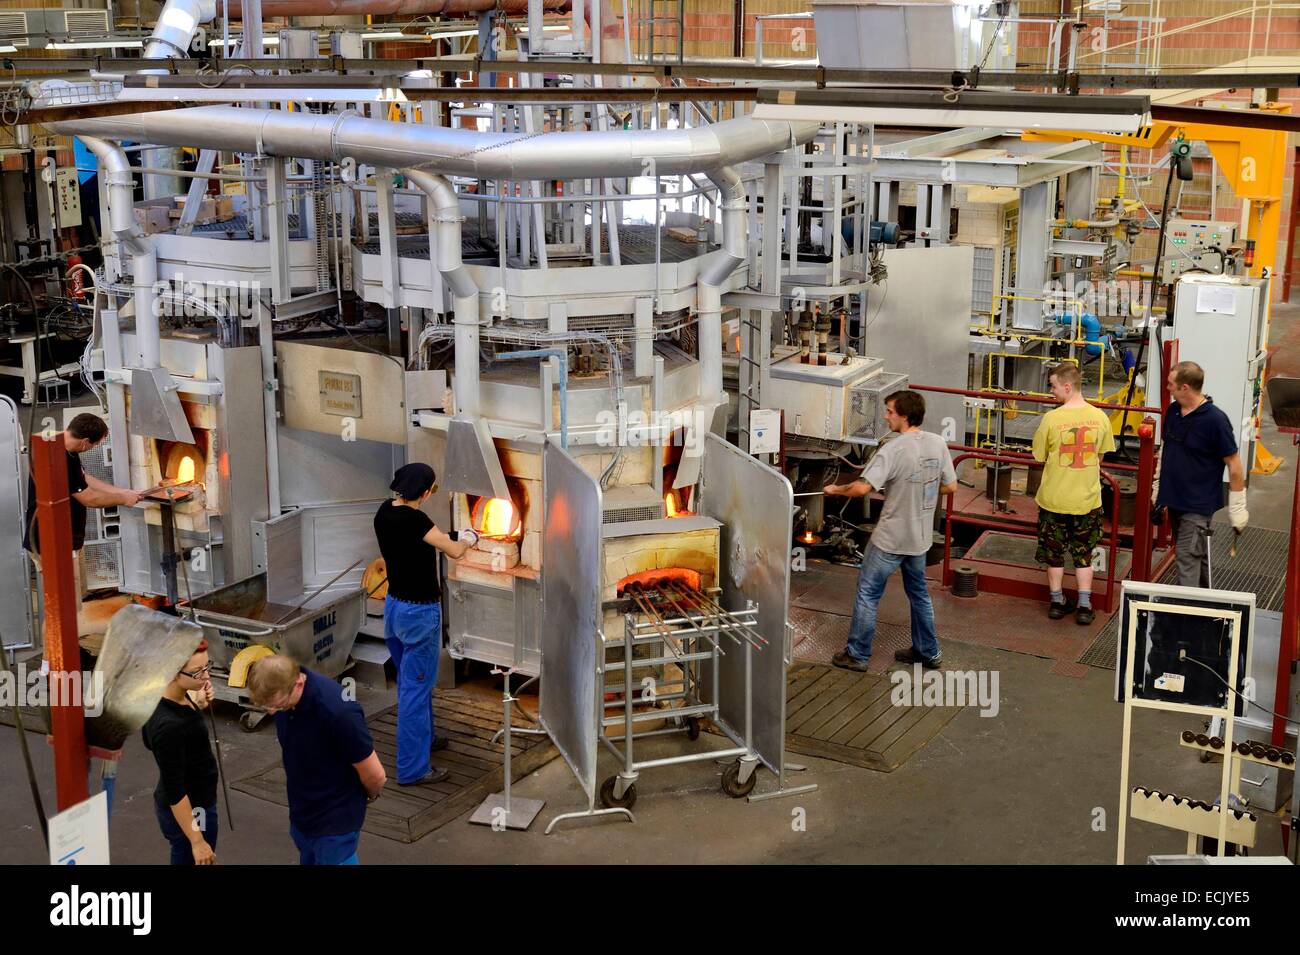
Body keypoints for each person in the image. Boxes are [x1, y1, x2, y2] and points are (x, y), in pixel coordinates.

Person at [824, 390, 957, 671]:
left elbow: (861, 488)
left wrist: (835, 489)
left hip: (890, 538)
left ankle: (857, 654)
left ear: (904, 416)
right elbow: (951, 486)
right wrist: (921, 491)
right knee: (919, 593)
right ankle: (928, 652)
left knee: (868, 593)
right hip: (919, 538)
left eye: (889, 411)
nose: (886, 416)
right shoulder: (937, 443)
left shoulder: (893, 449)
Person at [373, 463, 476, 787]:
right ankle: (413, 768)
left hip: (394, 610)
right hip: (419, 615)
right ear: (427, 492)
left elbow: (433, 540)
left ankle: (424, 738)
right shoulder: (417, 520)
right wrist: (469, 538)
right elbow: (454, 551)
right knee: (416, 691)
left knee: (410, 681)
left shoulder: (385, 512)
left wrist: (454, 536)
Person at [247, 654, 387, 865]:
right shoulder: (285, 697)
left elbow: (375, 775)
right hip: (303, 815)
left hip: (335, 822)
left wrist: (364, 798)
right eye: (266, 706)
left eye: (277, 705)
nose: (272, 711)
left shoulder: (338, 713)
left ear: (299, 683)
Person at [25, 412, 142, 606]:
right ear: (86, 441)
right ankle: (63, 635)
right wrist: (123, 499)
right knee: (64, 604)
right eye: (95, 445)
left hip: (66, 538)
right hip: (51, 541)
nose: (93, 449)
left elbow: (84, 479)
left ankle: (75, 632)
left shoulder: (65, 446)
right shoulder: (58, 458)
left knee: (75, 599)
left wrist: (122, 491)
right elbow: (89, 498)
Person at [1031, 362, 1116, 626]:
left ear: (1067, 387)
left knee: (1054, 554)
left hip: (1054, 500)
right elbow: (1100, 457)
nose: (1052, 392)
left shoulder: (1051, 419)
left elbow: (1040, 456)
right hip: (1087, 501)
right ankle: (1084, 605)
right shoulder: (1101, 418)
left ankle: (1057, 602)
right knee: (1084, 554)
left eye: (1054, 387)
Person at [1152, 361, 1249, 588]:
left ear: (1185, 387)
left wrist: (1238, 506)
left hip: (1197, 505)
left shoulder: (1215, 421)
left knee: (1186, 557)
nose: (1167, 388)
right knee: (1196, 555)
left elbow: (1234, 464)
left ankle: (1188, 618)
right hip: (1174, 500)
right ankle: (1206, 606)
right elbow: (1166, 449)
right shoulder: (1174, 411)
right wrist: (1158, 489)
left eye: (1171, 384)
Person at [141, 639, 219, 865]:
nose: (205, 678)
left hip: (197, 799)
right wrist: (197, 841)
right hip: (193, 809)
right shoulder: (169, 727)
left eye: (207, 667)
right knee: (189, 856)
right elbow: (176, 790)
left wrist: (199, 703)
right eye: (197, 672)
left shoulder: (167, 696)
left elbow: (150, 741)